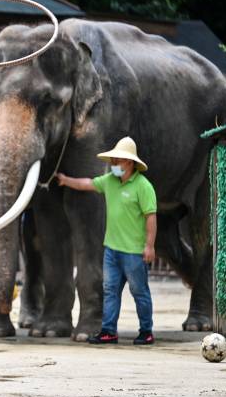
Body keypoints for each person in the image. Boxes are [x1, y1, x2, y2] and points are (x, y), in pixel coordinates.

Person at [56, 137, 157, 345]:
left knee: (139, 291)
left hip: (134, 252)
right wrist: (66, 180)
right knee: (110, 291)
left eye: (117, 161)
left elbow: (151, 217)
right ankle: (108, 331)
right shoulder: (110, 181)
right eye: (112, 161)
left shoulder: (143, 186)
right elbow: (88, 184)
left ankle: (146, 331)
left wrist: (149, 246)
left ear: (129, 163)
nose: (113, 165)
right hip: (111, 250)